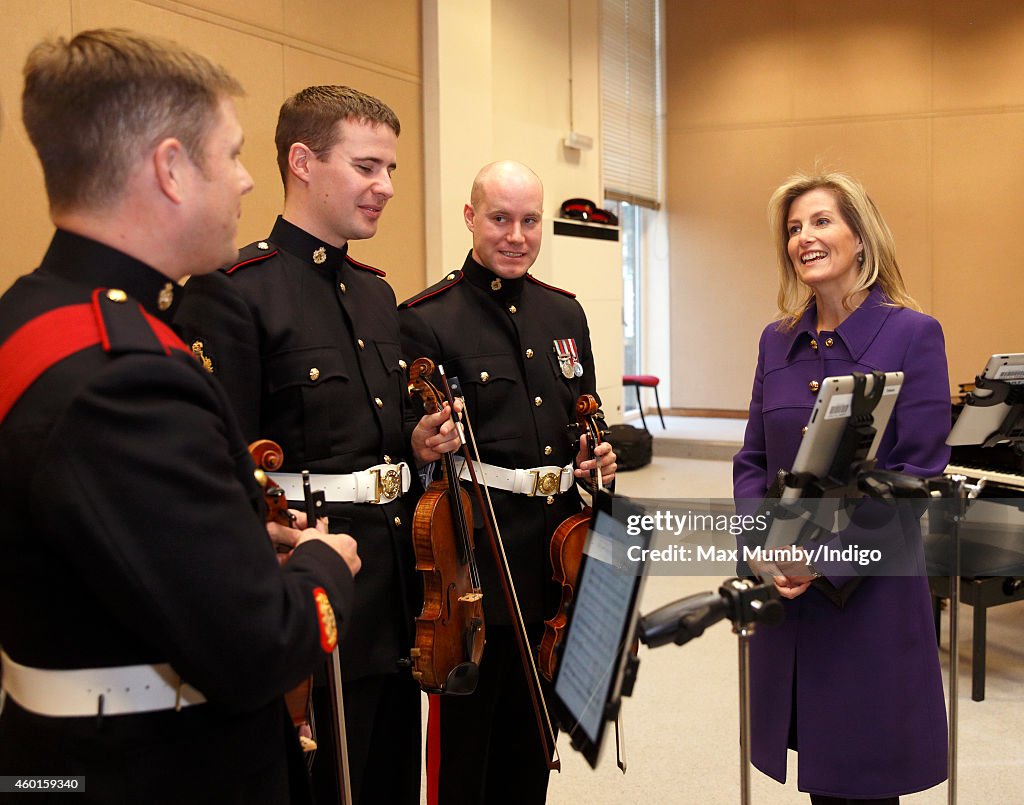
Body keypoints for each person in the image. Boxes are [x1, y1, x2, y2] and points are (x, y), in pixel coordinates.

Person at [0, 29, 360, 803]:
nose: (245, 183)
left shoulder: (32, 314)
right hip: (153, 766)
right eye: (230, 156)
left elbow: (101, 533)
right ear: (169, 168)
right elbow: (260, 648)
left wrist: (221, 534)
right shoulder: (126, 378)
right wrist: (326, 563)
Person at [173, 85, 460, 805]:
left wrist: (416, 445)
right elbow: (224, 470)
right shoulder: (234, 291)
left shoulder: (373, 294)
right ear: (302, 161)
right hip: (308, 604)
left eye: (390, 169)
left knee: (389, 781)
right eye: (367, 167)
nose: (386, 187)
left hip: (397, 595)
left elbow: (371, 438)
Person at [398, 160, 617, 804]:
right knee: (468, 733)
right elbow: (411, 443)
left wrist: (596, 456)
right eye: (500, 219)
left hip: (555, 546)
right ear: (471, 219)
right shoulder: (427, 317)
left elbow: (586, 407)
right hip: (476, 549)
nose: (516, 235)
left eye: (528, 221)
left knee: (534, 729)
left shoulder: (563, 313)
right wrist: (425, 443)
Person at [733, 171, 949, 804]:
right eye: (794, 228)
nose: (805, 238)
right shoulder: (777, 341)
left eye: (821, 222)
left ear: (861, 236)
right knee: (817, 776)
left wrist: (821, 559)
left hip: (869, 597)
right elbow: (751, 459)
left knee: (864, 777)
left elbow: (915, 474)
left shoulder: (913, 333)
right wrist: (763, 542)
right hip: (786, 590)